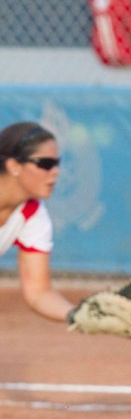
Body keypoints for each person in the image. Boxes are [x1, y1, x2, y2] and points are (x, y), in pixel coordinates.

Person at [1, 122, 82, 321]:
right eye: (45, 164)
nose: (55, 172)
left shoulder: (33, 214)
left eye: (57, 163)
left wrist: (80, 316)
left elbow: (39, 292)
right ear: (14, 166)